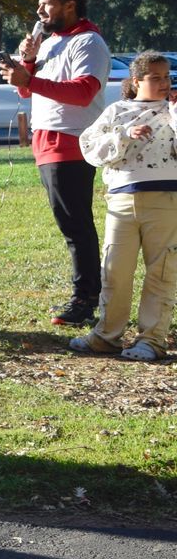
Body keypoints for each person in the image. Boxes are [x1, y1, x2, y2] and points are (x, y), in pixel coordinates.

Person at [4, 0, 112, 328]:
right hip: (46, 141)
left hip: (71, 141)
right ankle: (87, 294)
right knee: (69, 222)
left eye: (45, 4)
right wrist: (28, 64)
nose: (39, 11)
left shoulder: (89, 42)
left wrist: (29, 79)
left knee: (75, 225)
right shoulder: (51, 43)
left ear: (69, 6)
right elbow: (27, 92)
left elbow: (82, 93)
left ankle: (86, 299)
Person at [70, 51, 177, 361]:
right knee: (115, 269)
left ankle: (151, 340)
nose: (163, 83)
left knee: (162, 270)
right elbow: (91, 149)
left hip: (165, 200)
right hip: (121, 198)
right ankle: (107, 336)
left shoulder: (171, 112)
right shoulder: (117, 111)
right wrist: (124, 135)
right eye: (155, 78)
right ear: (136, 81)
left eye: (166, 77)